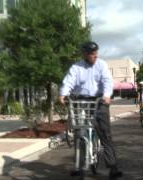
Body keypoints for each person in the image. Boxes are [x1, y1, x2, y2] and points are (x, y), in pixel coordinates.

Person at [59, 41, 123, 179]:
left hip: (99, 101)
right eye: (92, 54)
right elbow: (68, 81)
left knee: (105, 134)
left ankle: (113, 167)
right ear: (85, 54)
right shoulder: (76, 67)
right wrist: (63, 93)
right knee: (79, 133)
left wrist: (107, 95)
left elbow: (107, 81)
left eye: (96, 53)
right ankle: (80, 166)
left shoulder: (102, 65)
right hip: (80, 101)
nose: (95, 55)